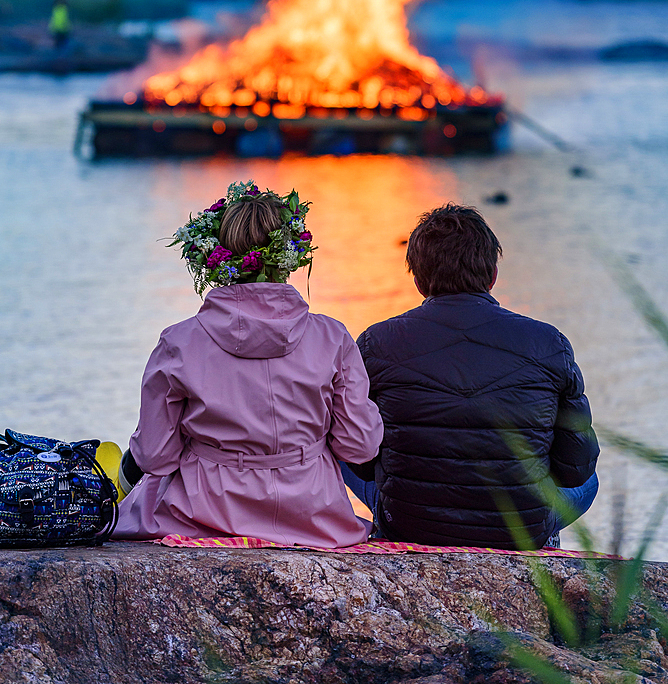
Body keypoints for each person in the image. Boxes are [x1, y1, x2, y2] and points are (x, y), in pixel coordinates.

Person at [111, 180, 383, 547]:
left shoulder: (178, 342)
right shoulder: (332, 338)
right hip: (313, 516)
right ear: (290, 255)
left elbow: (155, 456)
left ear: (218, 255)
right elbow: (360, 448)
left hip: (202, 514)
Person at [341, 203, 599, 550]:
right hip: (520, 528)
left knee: (339, 449)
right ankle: (545, 544)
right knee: (591, 483)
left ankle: (384, 532)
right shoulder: (550, 342)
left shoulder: (377, 341)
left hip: (411, 524)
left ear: (417, 279)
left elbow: (360, 460)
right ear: (492, 275)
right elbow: (576, 469)